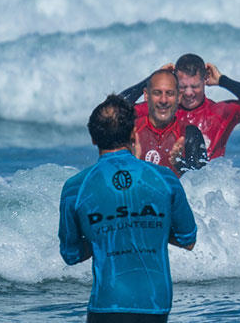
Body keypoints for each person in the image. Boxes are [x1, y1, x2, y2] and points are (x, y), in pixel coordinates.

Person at [59, 94, 197, 323]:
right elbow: (188, 239)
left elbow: (71, 255)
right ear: (133, 134)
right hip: (155, 304)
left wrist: (105, 234)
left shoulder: (75, 187)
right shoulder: (164, 178)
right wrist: (146, 228)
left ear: (93, 138)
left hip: (106, 306)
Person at [121, 53, 240, 160]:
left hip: (208, 187)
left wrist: (222, 80)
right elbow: (115, 109)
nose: (189, 93)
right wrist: (155, 78)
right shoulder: (161, 111)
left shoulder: (220, 113)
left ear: (205, 80)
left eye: (195, 86)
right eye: (183, 87)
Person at [132, 69, 207, 177]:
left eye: (170, 93)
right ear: (147, 95)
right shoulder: (131, 131)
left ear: (179, 97)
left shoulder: (189, 134)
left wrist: (179, 163)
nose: (163, 100)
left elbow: (202, 182)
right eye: (157, 93)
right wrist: (131, 161)